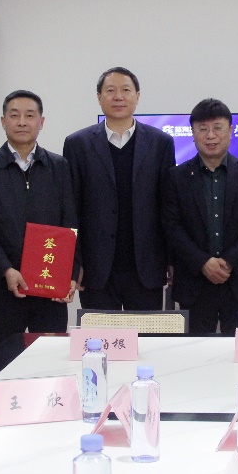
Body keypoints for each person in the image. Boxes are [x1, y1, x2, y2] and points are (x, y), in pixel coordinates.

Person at [0, 90, 79, 348]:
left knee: (51, 355)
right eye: (14, 115)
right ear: (3, 121)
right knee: (6, 357)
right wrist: (5, 269)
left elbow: (70, 223)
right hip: (4, 286)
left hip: (50, 286)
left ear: (41, 122)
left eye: (29, 115)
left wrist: (70, 274)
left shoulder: (59, 166)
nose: (22, 122)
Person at [62, 67, 175, 310]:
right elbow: (71, 208)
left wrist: (171, 259)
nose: (118, 97)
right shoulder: (77, 144)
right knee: (99, 334)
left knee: (146, 334)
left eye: (125, 90)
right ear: (99, 97)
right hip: (96, 268)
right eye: (110, 90)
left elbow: (168, 206)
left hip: (146, 266)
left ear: (137, 96)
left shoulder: (161, 143)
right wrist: (74, 263)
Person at [162, 98, 238, 334]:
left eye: (217, 128)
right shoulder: (176, 178)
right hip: (194, 283)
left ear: (230, 131)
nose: (210, 136)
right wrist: (203, 262)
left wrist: (229, 261)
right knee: (194, 350)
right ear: (193, 133)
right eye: (203, 129)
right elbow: (171, 227)